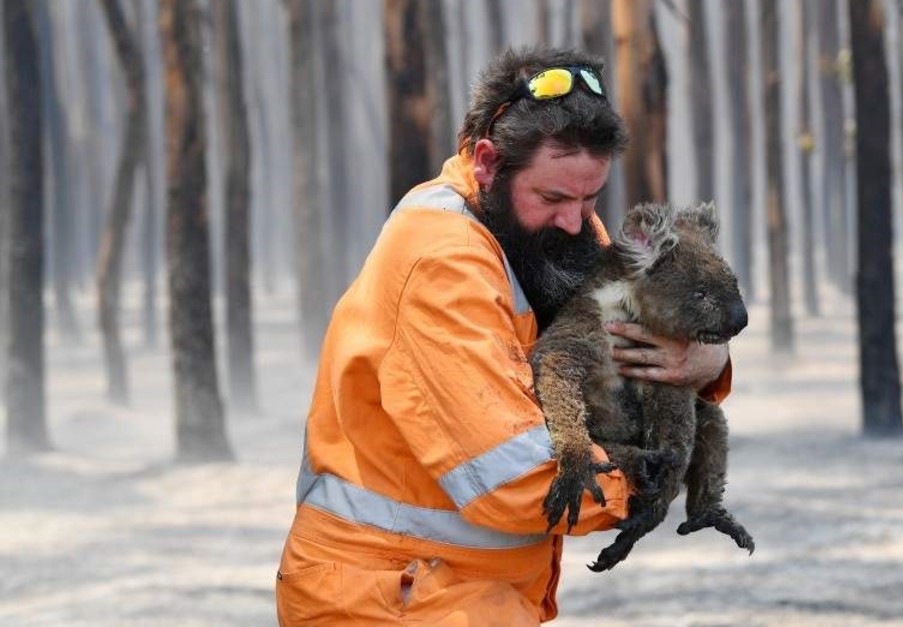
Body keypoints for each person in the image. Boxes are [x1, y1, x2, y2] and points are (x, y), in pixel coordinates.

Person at [275, 47, 734, 626]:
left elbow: (636, 342)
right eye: (555, 198)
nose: (578, 220)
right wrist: (649, 482)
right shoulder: (442, 263)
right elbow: (513, 479)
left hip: (459, 592)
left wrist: (706, 361)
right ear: (489, 163)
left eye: (592, 197)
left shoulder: (547, 231)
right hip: (387, 599)